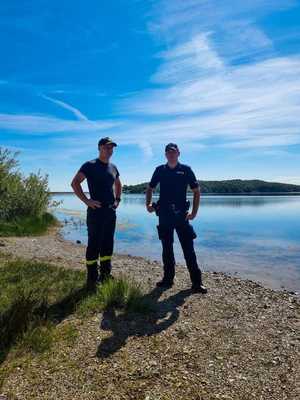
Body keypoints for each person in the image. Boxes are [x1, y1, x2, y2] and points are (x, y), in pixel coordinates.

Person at [146, 143, 207, 294]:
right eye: (168, 152)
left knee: (189, 250)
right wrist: (148, 204)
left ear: (178, 153)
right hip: (164, 215)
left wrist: (194, 212)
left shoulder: (186, 170)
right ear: (165, 154)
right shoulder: (159, 170)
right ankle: (168, 279)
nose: (171, 154)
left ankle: (197, 283)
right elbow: (150, 188)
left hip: (181, 215)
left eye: (173, 152)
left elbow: (196, 191)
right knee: (167, 249)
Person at [71, 137, 122, 291]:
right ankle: (92, 278)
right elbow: (75, 183)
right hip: (95, 212)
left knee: (108, 243)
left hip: (110, 211)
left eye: (111, 148)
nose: (109, 150)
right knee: (94, 244)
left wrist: (117, 199)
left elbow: (118, 184)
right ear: (99, 148)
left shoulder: (113, 167)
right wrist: (87, 201)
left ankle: (105, 274)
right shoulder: (90, 165)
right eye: (107, 147)